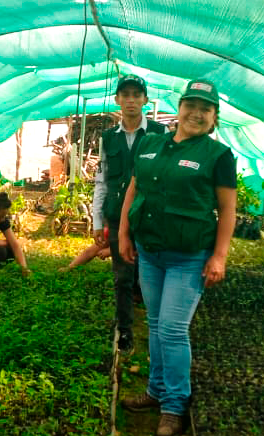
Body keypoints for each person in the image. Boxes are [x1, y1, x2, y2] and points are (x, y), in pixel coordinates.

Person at [117, 79, 237, 436]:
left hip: (189, 256)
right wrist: (123, 233)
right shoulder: (152, 144)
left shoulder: (218, 156)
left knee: (172, 328)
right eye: (191, 105)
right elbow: (134, 189)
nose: (196, 113)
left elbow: (228, 209)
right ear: (179, 107)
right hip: (151, 252)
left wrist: (219, 256)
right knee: (154, 323)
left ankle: (174, 406)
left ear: (214, 118)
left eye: (206, 108)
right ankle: (155, 390)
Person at [91, 74, 168, 351]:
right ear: (117, 101)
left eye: (137, 94)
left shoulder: (160, 134)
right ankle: (124, 330)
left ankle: (157, 327)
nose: (131, 100)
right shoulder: (108, 137)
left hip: (148, 217)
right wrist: (97, 219)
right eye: (126, 95)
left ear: (145, 100)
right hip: (115, 214)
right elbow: (102, 179)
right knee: (121, 276)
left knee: (147, 274)